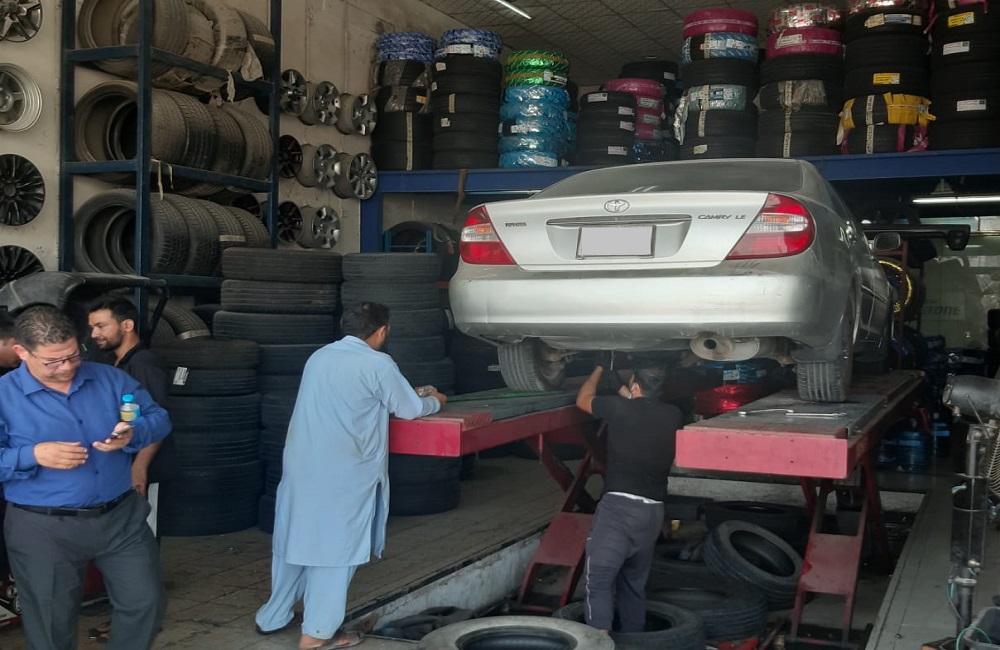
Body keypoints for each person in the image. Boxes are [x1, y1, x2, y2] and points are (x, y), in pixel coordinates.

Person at [256, 302, 447, 650]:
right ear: (382, 331)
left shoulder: (319, 357)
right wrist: (435, 400)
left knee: (295, 541)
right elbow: (409, 409)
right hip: (343, 474)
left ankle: (274, 615)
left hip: (301, 466)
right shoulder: (378, 363)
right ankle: (316, 635)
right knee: (336, 552)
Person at [0, 304, 171, 650]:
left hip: (120, 519)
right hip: (43, 528)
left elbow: (157, 417)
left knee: (146, 602)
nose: (66, 368)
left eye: (73, 355)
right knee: (51, 623)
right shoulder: (4, 395)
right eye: (53, 362)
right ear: (22, 352)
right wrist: (32, 455)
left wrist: (133, 433)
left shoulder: (110, 379)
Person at [575, 362, 682, 634]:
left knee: (598, 582)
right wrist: (624, 390)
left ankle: (599, 642)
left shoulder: (618, 408)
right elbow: (640, 407)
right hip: (652, 513)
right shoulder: (673, 415)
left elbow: (583, 400)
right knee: (633, 586)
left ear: (635, 385)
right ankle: (635, 640)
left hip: (619, 511)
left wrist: (598, 369)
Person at [87, 296, 175, 519]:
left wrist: (140, 468)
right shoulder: (112, 364)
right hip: (121, 466)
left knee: (144, 527)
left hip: (146, 469)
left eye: (101, 326)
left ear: (127, 325)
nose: (94, 334)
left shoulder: (143, 363)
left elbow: (157, 418)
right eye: (92, 327)